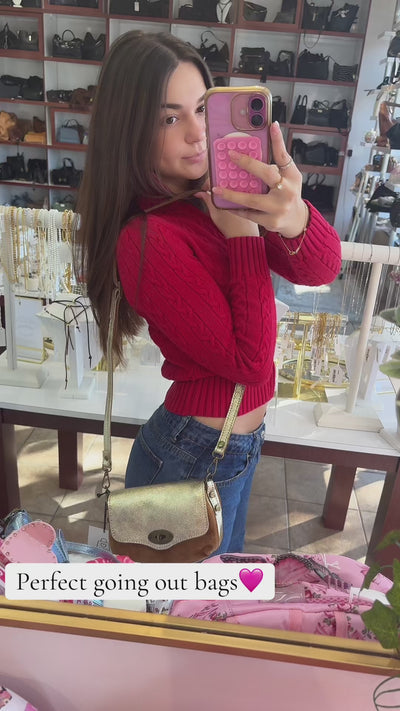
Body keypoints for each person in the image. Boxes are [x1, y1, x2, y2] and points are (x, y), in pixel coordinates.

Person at [76, 30, 342, 555]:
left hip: (232, 446)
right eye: (169, 119)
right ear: (130, 131)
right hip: (191, 454)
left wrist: (292, 215)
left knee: (216, 590)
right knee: (182, 600)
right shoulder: (147, 237)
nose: (198, 133)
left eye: (202, 108)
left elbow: (322, 268)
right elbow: (248, 361)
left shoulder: (215, 198)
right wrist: (243, 233)